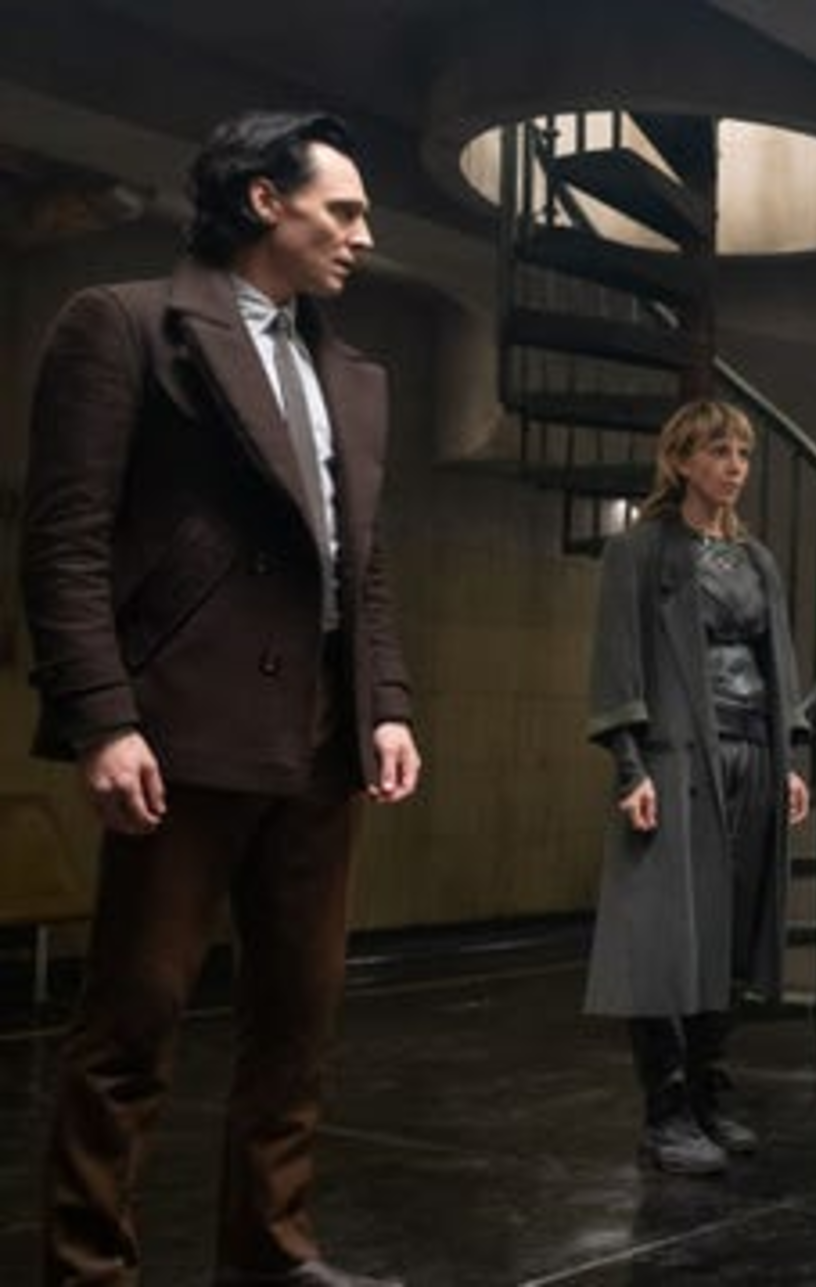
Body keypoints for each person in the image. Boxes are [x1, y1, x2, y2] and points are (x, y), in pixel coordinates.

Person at [20, 111, 420, 1287]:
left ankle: (273, 1255)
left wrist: (387, 700)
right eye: (343, 211)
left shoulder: (353, 374)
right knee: (132, 1024)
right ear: (262, 200)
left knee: (297, 1022)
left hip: (323, 736)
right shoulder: (124, 326)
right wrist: (103, 717)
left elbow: (362, 560)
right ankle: (88, 1269)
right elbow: (64, 544)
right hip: (181, 727)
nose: (363, 235)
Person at [584, 398, 812, 1176]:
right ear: (681, 460)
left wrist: (789, 759)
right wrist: (630, 766)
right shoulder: (640, 552)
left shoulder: (756, 561)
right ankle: (667, 1108)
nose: (734, 466)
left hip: (752, 752)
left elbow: (779, 664)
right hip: (676, 759)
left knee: (732, 929)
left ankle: (711, 1088)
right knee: (662, 934)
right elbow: (618, 662)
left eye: (742, 453)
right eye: (717, 451)